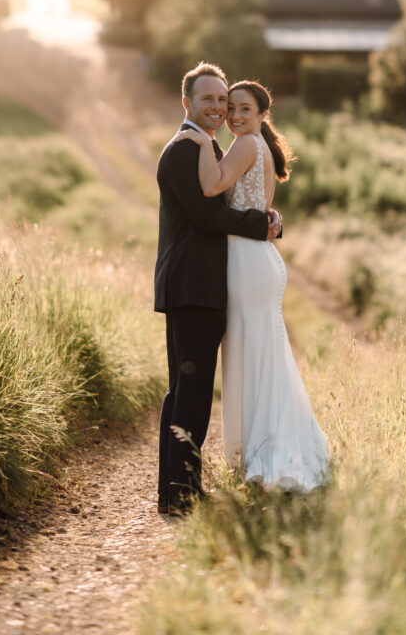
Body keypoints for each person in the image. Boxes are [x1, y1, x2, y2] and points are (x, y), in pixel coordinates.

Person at [173, 80, 329, 492]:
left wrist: (203, 142)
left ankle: (264, 455)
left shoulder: (244, 144)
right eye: (231, 108)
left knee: (253, 357)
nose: (234, 115)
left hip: (247, 262)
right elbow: (253, 205)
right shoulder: (258, 146)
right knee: (264, 356)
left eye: (244, 108)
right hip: (258, 259)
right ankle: (272, 446)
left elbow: (211, 188)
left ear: (262, 114)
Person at [154, 62, 282, 516]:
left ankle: (177, 489)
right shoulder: (184, 149)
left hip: (199, 286)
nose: (217, 107)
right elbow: (206, 216)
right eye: (207, 98)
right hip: (193, 286)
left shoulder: (205, 146)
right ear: (186, 102)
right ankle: (180, 494)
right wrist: (261, 225)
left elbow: (225, 201)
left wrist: (266, 218)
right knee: (190, 394)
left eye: (222, 100)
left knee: (185, 392)